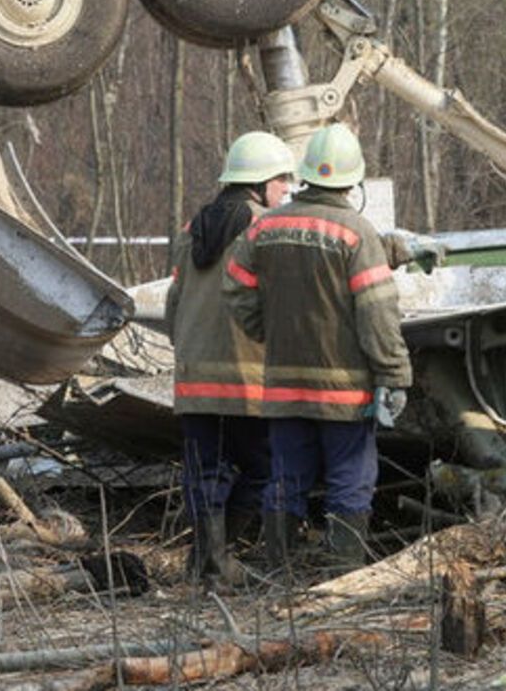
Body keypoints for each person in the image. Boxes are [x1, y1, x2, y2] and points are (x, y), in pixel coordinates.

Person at [224, 122, 411, 566]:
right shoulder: (356, 233)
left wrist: (270, 332)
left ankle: (279, 572)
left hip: (285, 387)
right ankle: (345, 572)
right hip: (344, 391)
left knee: (286, 478)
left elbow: (235, 289)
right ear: (353, 180)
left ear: (306, 174)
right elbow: (378, 313)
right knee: (351, 478)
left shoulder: (264, 228)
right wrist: (395, 375)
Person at [166, 130, 294, 589]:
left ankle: (208, 566)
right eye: (281, 181)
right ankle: (217, 564)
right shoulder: (266, 229)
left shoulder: (192, 228)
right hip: (248, 376)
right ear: (258, 183)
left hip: (195, 379)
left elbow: (173, 302)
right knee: (265, 468)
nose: (286, 190)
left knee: (206, 475)